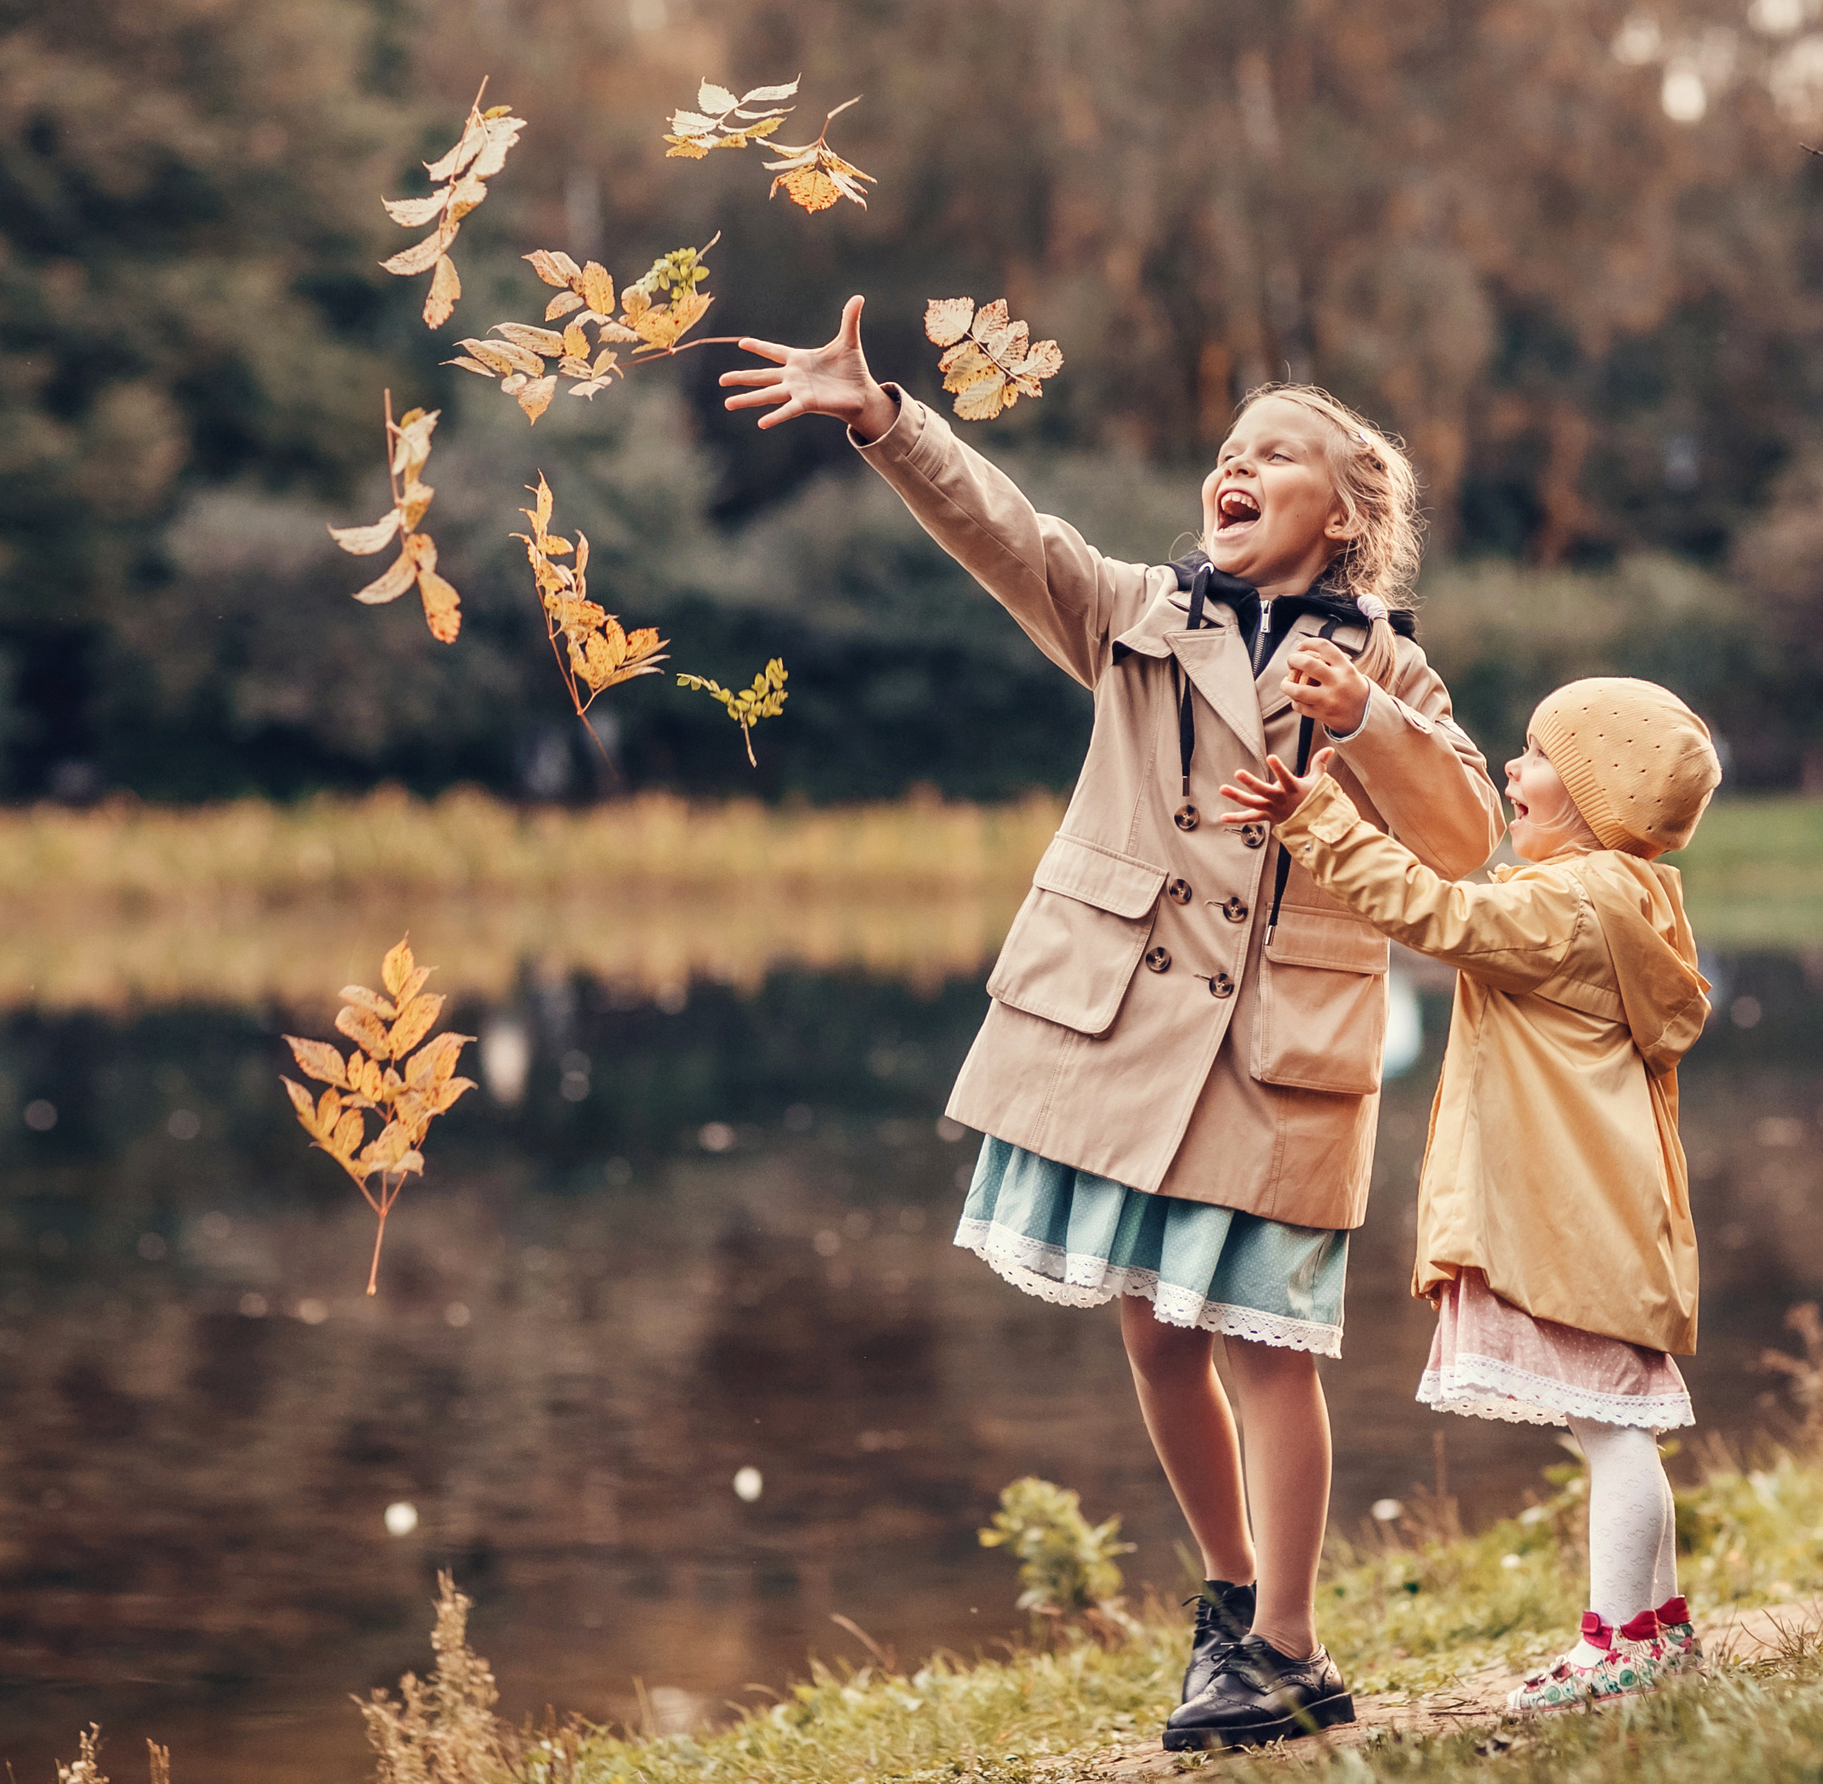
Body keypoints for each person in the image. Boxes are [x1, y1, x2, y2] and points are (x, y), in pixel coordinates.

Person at [722, 297, 1502, 1749]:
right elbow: (1006, 531)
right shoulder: (1138, 611)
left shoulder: (1384, 666)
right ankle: (1229, 1598)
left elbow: (1468, 842)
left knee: (1267, 1347)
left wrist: (1367, 724)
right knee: (1151, 1336)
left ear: (1342, 521)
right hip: (1119, 1033)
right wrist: (885, 418)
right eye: (1234, 445)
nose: (1243, 461)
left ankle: (1288, 1644)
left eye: (1280, 452)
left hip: (1278, 1057)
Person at [1220, 676, 1721, 1714]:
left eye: (1535, 757)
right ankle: (1656, 1629)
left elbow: (1434, 912)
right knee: (1613, 1423)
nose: (1511, 768)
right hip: (1602, 1208)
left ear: (1595, 796)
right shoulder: (1631, 894)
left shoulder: (1562, 901)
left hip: (1573, 1216)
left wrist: (1316, 817)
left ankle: (1621, 1639)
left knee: (1610, 1428)